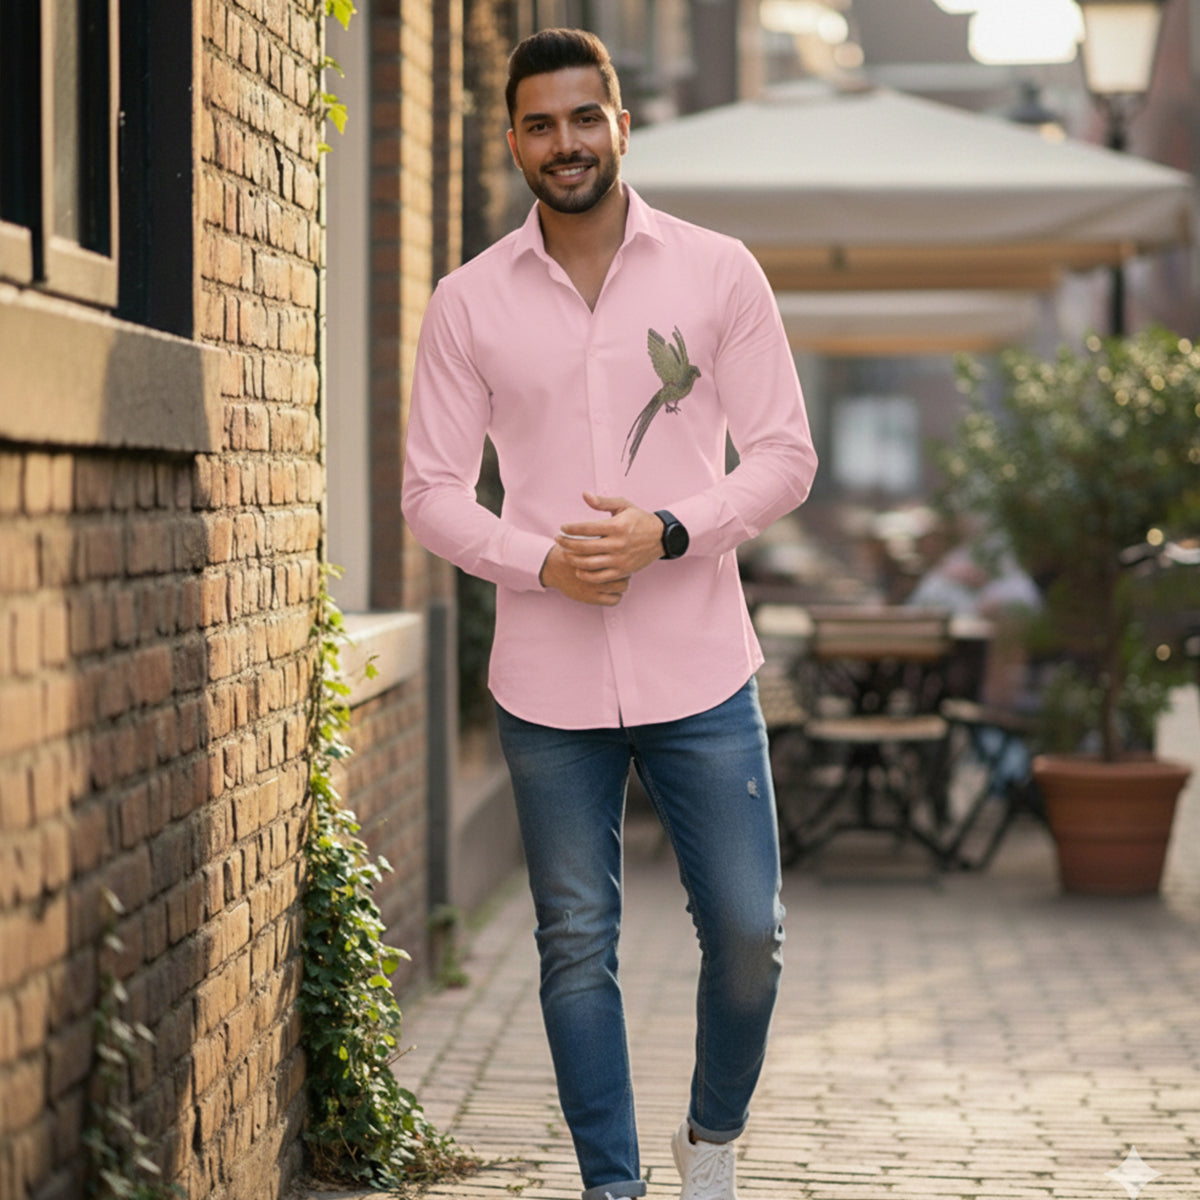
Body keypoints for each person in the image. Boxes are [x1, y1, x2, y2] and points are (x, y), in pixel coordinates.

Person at [402, 28, 818, 1200]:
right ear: (514, 141)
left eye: (585, 117)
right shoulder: (467, 302)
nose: (566, 142)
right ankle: (612, 1186)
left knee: (748, 932)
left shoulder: (718, 273)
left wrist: (669, 531)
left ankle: (711, 1138)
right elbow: (431, 492)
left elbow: (784, 455)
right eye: (540, 124)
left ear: (622, 125)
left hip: (701, 667)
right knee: (576, 943)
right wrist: (543, 562)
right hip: (546, 684)